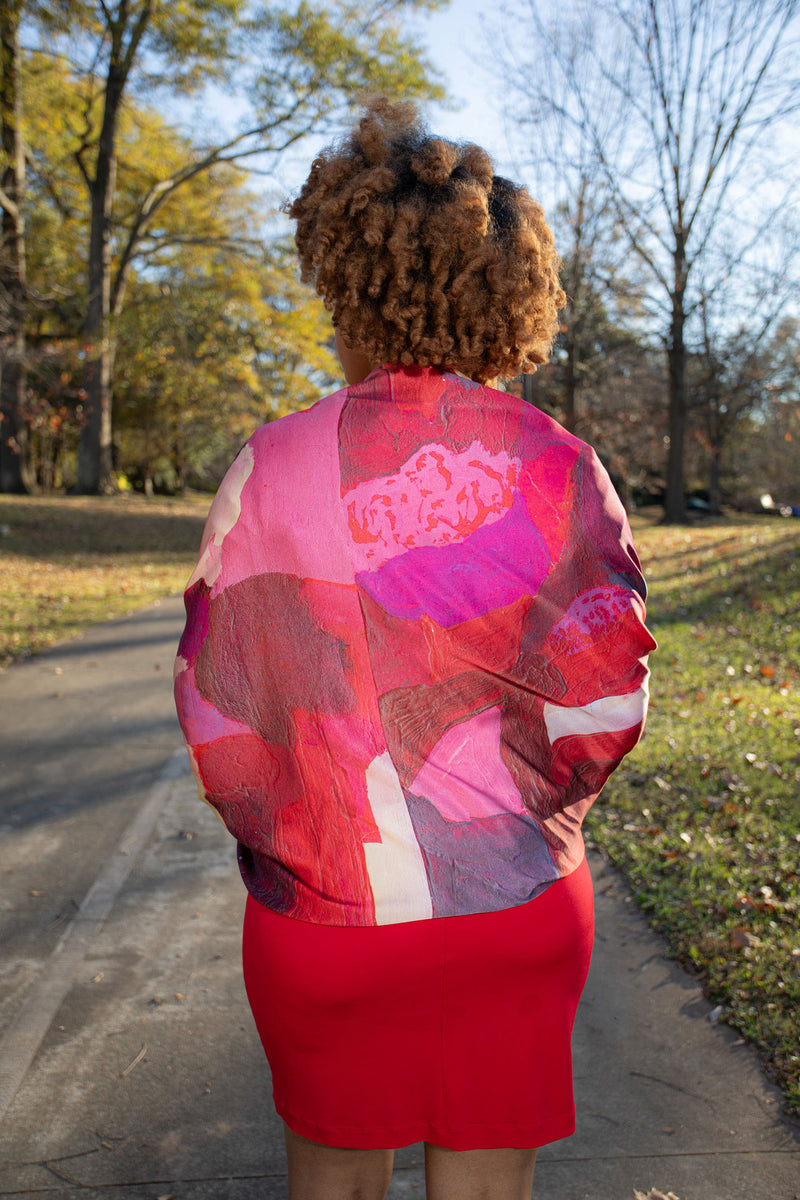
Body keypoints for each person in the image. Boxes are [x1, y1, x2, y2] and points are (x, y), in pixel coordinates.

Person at [174, 96, 656, 1200]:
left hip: (328, 925)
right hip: (517, 915)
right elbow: (611, 691)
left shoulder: (270, 463)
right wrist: (531, 819)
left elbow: (214, 701)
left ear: (344, 277)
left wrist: (302, 839)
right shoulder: (560, 465)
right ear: (504, 293)